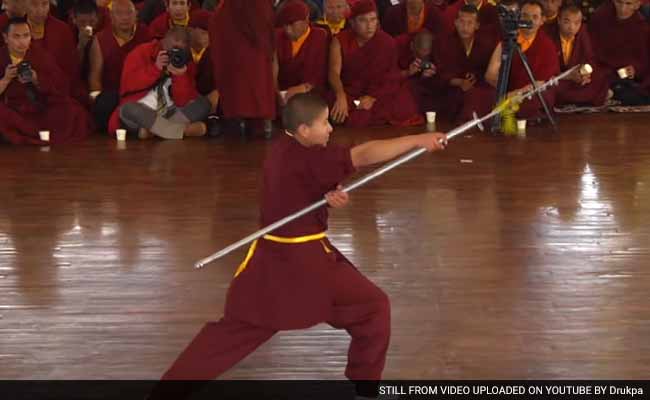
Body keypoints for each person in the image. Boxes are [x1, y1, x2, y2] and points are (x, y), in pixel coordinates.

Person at [147, 92, 448, 400]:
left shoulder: (283, 149)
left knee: (368, 308)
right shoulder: (310, 157)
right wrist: (417, 140)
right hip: (299, 262)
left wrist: (328, 196)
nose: (330, 129)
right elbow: (365, 154)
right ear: (304, 130)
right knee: (369, 309)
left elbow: (301, 189)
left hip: (286, 256)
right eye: (324, 123)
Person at [328, 0, 424, 127]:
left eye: (373, 20)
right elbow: (334, 72)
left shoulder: (387, 42)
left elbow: (390, 77)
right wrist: (340, 96)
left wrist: (372, 98)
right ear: (352, 23)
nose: (369, 25)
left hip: (379, 93)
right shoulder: (340, 40)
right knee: (329, 102)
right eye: (363, 20)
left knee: (404, 105)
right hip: (349, 92)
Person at [108, 26, 214, 139]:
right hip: (143, 110)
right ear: (163, 41)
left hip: (171, 111)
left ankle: (155, 131)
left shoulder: (185, 61)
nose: (175, 53)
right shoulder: (141, 52)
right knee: (127, 109)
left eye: (180, 49)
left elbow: (183, 101)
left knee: (203, 104)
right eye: (173, 48)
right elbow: (128, 86)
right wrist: (156, 68)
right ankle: (184, 131)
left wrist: (180, 76)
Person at [462, 0, 559, 121]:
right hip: (506, 89)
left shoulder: (547, 45)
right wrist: (506, 92)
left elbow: (542, 81)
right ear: (518, 17)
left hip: (529, 93)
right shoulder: (509, 38)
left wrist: (518, 93)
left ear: (542, 20)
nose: (529, 20)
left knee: (539, 98)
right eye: (525, 16)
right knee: (474, 95)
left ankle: (503, 113)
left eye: (535, 17)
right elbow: (490, 74)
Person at [0, 17, 91, 144]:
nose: (22, 42)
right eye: (16, 37)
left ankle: (27, 133)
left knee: (72, 109)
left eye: (26, 36)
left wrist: (37, 79)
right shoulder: (1, 56)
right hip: (12, 108)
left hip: (38, 107)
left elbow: (60, 84)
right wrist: (6, 79)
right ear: (5, 38)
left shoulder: (39, 54)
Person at [210, 0, 276, 137]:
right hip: (256, 53)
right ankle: (263, 124)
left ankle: (240, 122)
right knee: (258, 85)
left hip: (235, 52)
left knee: (239, 90)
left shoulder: (224, 9)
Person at [88, 0, 152, 132]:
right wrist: (96, 100)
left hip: (140, 93)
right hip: (113, 95)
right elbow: (95, 76)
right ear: (111, 16)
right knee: (104, 106)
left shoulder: (146, 35)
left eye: (129, 13)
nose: (125, 17)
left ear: (136, 15)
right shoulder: (101, 38)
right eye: (119, 13)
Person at [436, 4, 495, 119]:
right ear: (456, 22)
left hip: (476, 88)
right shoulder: (443, 43)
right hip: (452, 89)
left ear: (477, 25)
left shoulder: (485, 45)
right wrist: (459, 82)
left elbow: (486, 72)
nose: (465, 27)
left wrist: (473, 79)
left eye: (470, 23)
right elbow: (439, 73)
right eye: (462, 22)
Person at [547, 4, 609, 107]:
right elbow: (546, 71)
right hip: (559, 79)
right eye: (567, 22)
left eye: (577, 23)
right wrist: (568, 76)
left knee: (601, 78)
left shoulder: (582, 32)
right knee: (551, 89)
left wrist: (584, 73)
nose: (572, 27)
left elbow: (590, 58)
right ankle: (583, 99)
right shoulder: (549, 35)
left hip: (576, 78)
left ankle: (576, 98)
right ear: (559, 20)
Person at [589, 0, 649, 104]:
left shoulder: (642, 27)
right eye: (619, 2)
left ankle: (612, 93)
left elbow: (645, 61)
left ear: (637, 5)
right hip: (603, 73)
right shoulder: (600, 17)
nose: (622, 8)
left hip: (626, 78)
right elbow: (590, 51)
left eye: (628, 3)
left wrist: (635, 69)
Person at [275, 0, 329, 103]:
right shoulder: (277, 36)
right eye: (285, 26)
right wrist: (276, 92)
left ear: (306, 21)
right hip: (282, 93)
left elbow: (322, 72)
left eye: (292, 25)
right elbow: (272, 69)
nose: (288, 30)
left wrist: (304, 87)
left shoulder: (320, 36)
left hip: (309, 93)